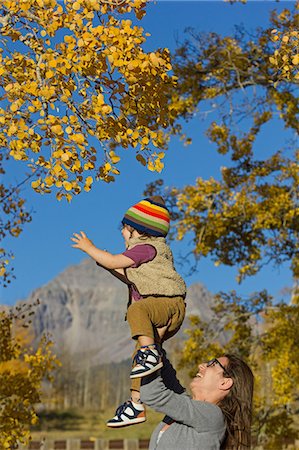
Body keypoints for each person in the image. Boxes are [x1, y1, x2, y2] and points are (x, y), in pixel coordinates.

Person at [71, 196, 186, 427]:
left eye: (124, 229)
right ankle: (148, 403)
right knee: (141, 362)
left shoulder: (145, 248)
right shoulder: (148, 255)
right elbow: (126, 276)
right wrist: (106, 264)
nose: (122, 233)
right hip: (163, 310)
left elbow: (115, 262)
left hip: (165, 305)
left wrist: (90, 249)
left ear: (136, 230)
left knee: (137, 310)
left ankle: (149, 352)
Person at [140, 353, 254, 450]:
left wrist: (148, 348)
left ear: (224, 383)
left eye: (212, 364)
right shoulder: (187, 408)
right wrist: (155, 339)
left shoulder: (213, 416)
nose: (201, 366)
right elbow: (166, 373)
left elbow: (151, 394)